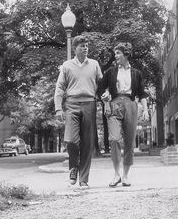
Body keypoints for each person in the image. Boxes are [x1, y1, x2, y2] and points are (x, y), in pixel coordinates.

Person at [54, 35, 102, 189]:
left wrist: (105, 94)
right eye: (82, 46)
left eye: (87, 45)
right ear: (75, 48)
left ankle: (84, 179)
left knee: (88, 143)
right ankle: (74, 166)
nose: (85, 48)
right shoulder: (66, 66)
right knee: (71, 140)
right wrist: (58, 108)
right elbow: (60, 87)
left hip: (89, 103)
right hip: (71, 104)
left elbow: (101, 84)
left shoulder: (94, 64)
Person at [100, 42, 149, 187]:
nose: (115, 56)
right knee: (114, 139)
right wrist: (105, 101)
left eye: (118, 53)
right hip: (114, 104)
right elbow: (101, 89)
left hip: (131, 104)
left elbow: (142, 94)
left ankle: (126, 175)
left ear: (126, 54)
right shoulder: (110, 72)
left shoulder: (136, 73)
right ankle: (116, 174)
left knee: (129, 141)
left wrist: (145, 110)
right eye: (115, 53)